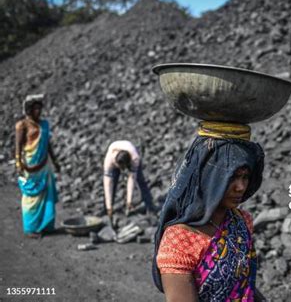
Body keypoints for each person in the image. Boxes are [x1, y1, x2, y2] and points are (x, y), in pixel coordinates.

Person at [152, 121, 266, 301]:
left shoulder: (242, 221)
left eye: (245, 177)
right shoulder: (179, 240)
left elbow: (244, 283)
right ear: (209, 178)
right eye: (233, 177)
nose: (241, 187)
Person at [15, 94, 61, 238]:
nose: (38, 112)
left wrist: (55, 161)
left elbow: (48, 144)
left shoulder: (44, 124)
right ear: (29, 110)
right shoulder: (22, 125)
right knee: (31, 196)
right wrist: (18, 163)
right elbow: (18, 146)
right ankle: (31, 228)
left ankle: (45, 225)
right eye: (35, 109)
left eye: (40, 109)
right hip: (30, 164)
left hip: (44, 164)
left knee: (46, 194)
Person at [103, 140, 157, 222]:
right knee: (113, 182)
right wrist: (108, 206)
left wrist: (129, 201)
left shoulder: (135, 158)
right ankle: (108, 209)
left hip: (130, 153)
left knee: (141, 181)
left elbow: (131, 180)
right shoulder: (109, 160)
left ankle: (150, 206)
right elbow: (108, 183)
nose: (122, 169)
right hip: (114, 157)